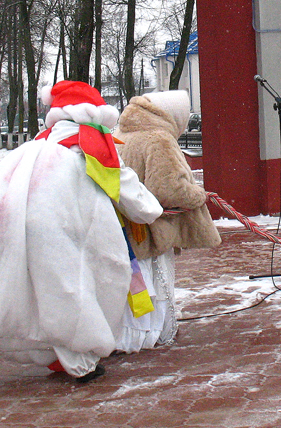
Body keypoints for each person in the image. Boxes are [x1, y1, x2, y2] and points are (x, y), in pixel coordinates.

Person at [0, 81, 164, 385]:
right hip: (51, 230)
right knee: (64, 290)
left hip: (2, 222)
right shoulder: (90, 143)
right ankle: (79, 362)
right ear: (94, 114)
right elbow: (126, 189)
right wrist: (156, 210)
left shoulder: (36, 144)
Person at [113, 91, 221, 352]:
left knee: (134, 286)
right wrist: (199, 194)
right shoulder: (159, 139)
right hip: (153, 229)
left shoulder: (122, 136)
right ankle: (155, 335)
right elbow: (168, 189)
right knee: (158, 284)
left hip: (126, 228)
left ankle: (129, 336)